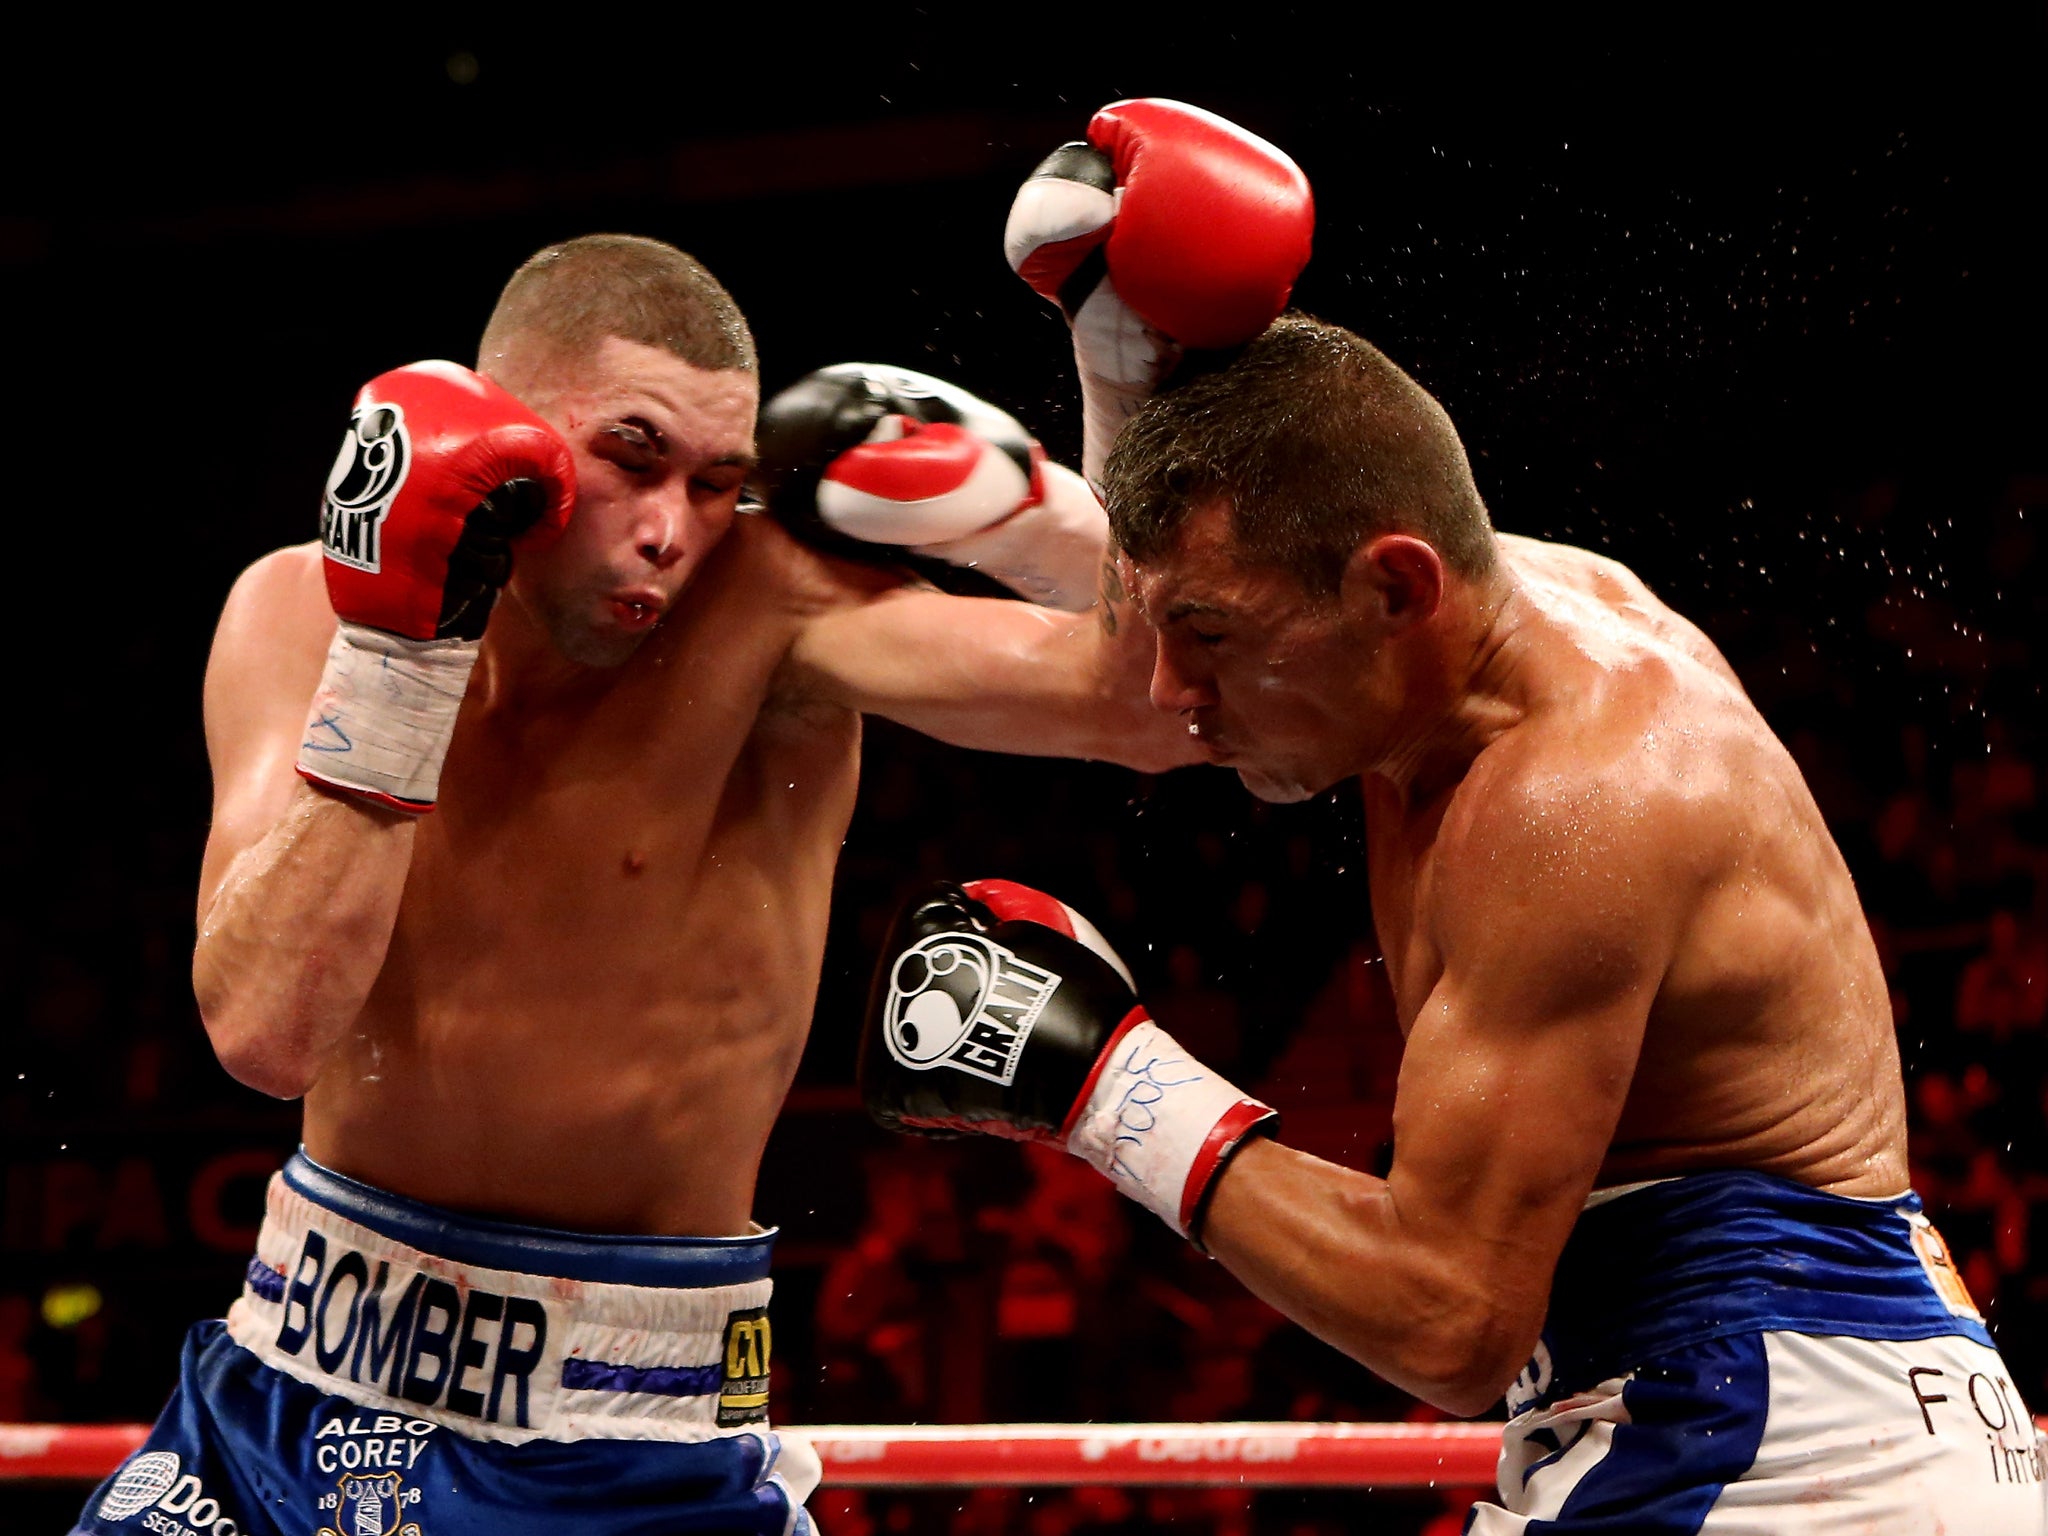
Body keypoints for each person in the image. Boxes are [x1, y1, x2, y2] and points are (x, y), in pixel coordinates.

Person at [74, 100, 1314, 1536]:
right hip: (282, 1371)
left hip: (615, 1430)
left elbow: (1157, 708)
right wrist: (401, 657)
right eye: (633, 457)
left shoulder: (767, 611)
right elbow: (264, 1035)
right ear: (505, 431)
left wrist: (1050, 494)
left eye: (716, 482)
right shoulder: (300, 610)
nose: (674, 526)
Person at [860, 313, 2048, 1530]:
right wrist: (1086, 442)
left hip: (1780, 1461)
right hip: (1753, 1413)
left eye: (1207, 638)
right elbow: (1281, 502)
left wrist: (1110, 1086)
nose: (1169, 690)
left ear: (1393, 588)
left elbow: (1446, 1319)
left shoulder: (1569, 802)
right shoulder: (1464, 615)